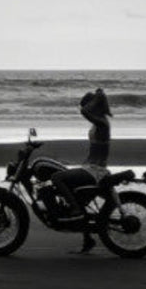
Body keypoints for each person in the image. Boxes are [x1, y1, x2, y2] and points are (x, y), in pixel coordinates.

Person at [49, 87, 112, 253]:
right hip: (90, 167)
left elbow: (84, 111)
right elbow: (94, 151)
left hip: (96, 171)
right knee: (77, 196)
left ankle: (75, 210)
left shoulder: (102, 123)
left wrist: (98, 97)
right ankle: (88, 240)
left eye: (89, 106)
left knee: (57, 178)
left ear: (94, 106)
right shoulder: (99, 123)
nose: (86, 109)